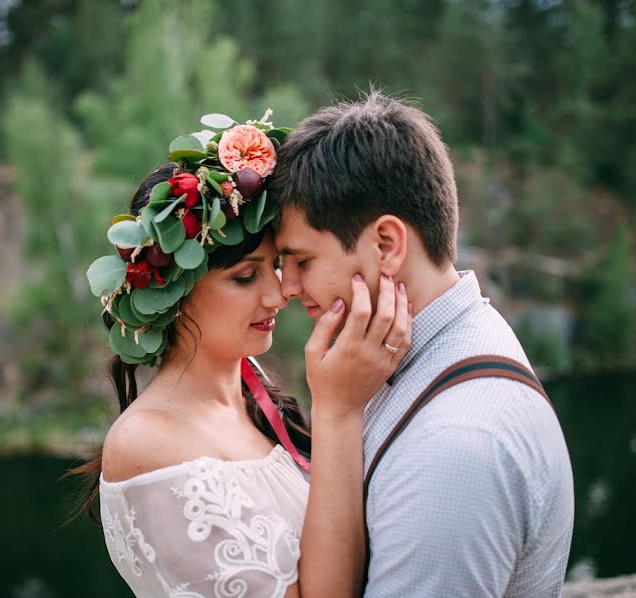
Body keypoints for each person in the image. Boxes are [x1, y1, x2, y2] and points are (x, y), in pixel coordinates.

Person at [68, 114, 412, 597]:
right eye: (246, 277)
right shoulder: (147, 443)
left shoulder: (256, 399)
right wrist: (337, 411)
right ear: (173, 289)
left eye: (276, 265)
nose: (279, 294)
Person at [268, 90, 575, 597]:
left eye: (302, 261)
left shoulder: (455, 452)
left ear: (386, 245)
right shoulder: (439, 345)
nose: (289, 288)